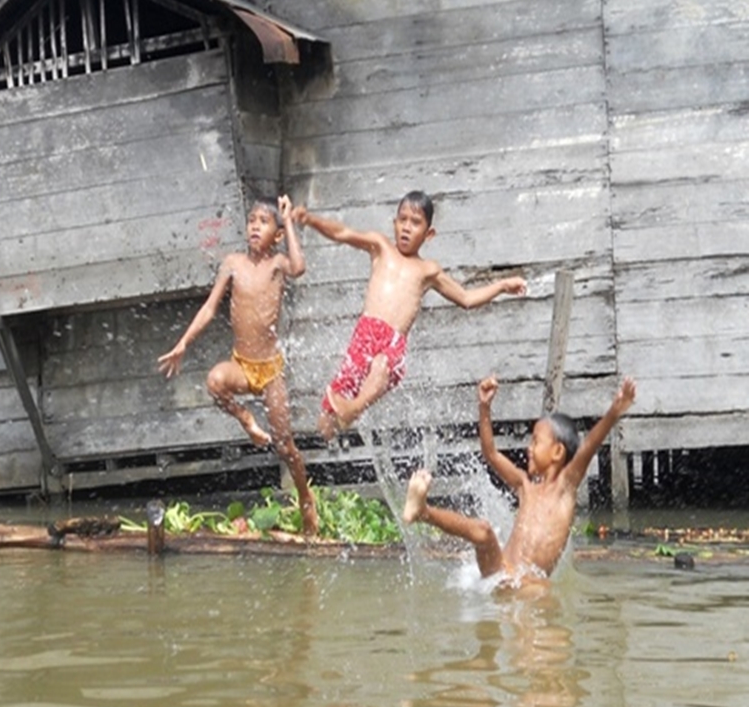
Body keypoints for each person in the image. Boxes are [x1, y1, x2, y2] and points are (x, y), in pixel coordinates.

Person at [294, 191, 527, 440]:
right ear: (394, 223)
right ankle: (340, 421)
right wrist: (310, 220)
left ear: (429, 234)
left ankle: (355, 408)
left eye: (415, 223)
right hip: (364, 336)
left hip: (392, 343)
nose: (406, 228)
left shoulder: (428, 270)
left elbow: (466, 299)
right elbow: (342, 233)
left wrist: (501, 286)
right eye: (402, 220)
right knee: (326, 424)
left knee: (381, 365)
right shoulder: (380, 247)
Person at [158, 196, 318, 535]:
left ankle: (306, 498)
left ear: (276, 234)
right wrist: (183, 343)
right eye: (251, 221)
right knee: (215, 380)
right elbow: (209, 308)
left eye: (263, 221)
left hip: (271, 370)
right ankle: (246, 419)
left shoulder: (277, 262)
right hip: (243, 366)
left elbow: (299, 267)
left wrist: (288, 221)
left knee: (285, 446)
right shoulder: (233, 263)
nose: (255, 226)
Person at [403, 374, 638, 587]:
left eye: (536, 442)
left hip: (526, 583)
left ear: (557, 452)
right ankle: (422, 511)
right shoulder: (525, 486)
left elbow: (587, 447)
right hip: (501, 572)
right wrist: (484, 407)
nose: (529, 448)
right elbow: (491, 453)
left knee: (540, 589)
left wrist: (614, 412)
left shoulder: (565, 488)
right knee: (483, 531)